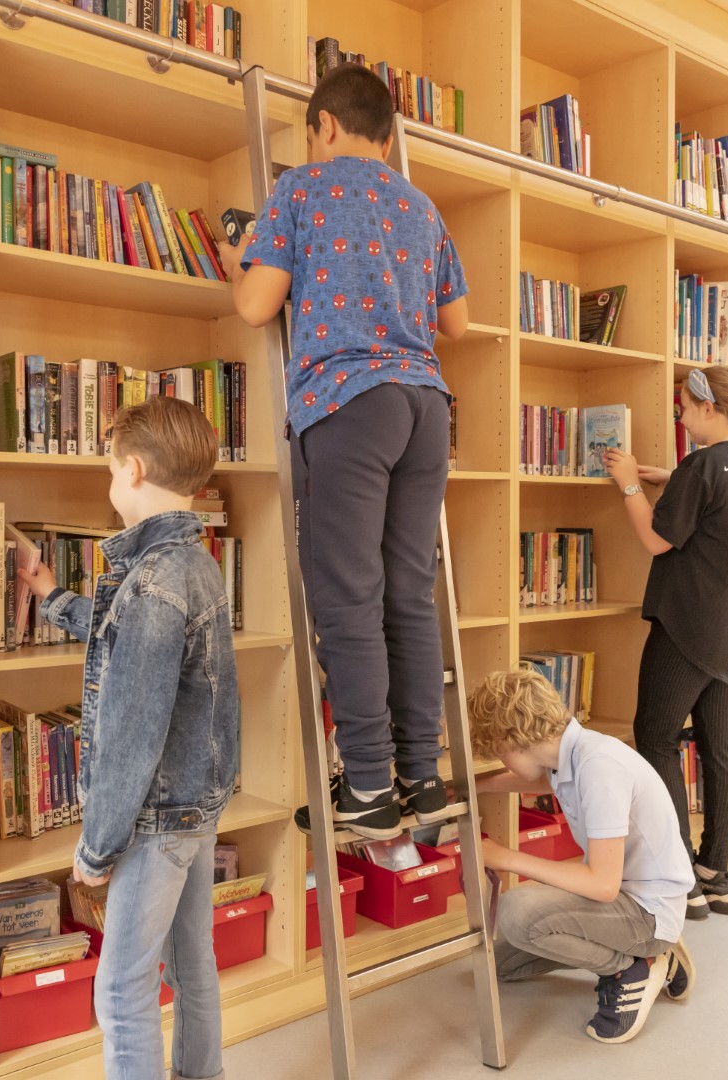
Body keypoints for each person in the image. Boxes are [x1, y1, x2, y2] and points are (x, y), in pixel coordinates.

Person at [217, 63, 470, 840]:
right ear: (390, 138)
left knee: (346, 598)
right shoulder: (421, 205)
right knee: (406, 594)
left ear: (324, 125)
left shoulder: (300, 192)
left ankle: (365, 784)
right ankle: (420, 779)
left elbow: (259, 306)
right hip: (426, 408)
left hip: (350, 404)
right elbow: (456, 322)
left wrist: (237, 259)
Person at [16, 396, 239, 1080]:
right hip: (198, 806)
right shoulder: (192, 561)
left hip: (154, 819)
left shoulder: (151, 582)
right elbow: (127, 640)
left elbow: (131, 736)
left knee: (122, 991)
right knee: (192, 964)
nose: (109, 484)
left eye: (110, 471)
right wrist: (54, 596)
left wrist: (96, 848)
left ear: (134, 469)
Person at [603, 366, 728, 919]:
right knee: (720, 747)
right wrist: (671, 478)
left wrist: (630, 483)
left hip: (690, 625)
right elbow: (712, 515)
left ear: (707, 406)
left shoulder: (704, 465)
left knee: (655, 738)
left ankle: (679, 875)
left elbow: (657, 539)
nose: (679, 416)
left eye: (683, 407)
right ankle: (715, 874)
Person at [468, 670, 696, 1045]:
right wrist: (477, 787)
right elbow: (544, 781)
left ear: (512, 738)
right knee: (504, 965)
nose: (502, 763)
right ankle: (647, 954)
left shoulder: (600, 768)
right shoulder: (572, 755)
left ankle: (636, 965)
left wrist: (505, 858)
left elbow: (602, 886)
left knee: (517, 912)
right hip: (624, 897)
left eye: (498, 753)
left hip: (645, 911)